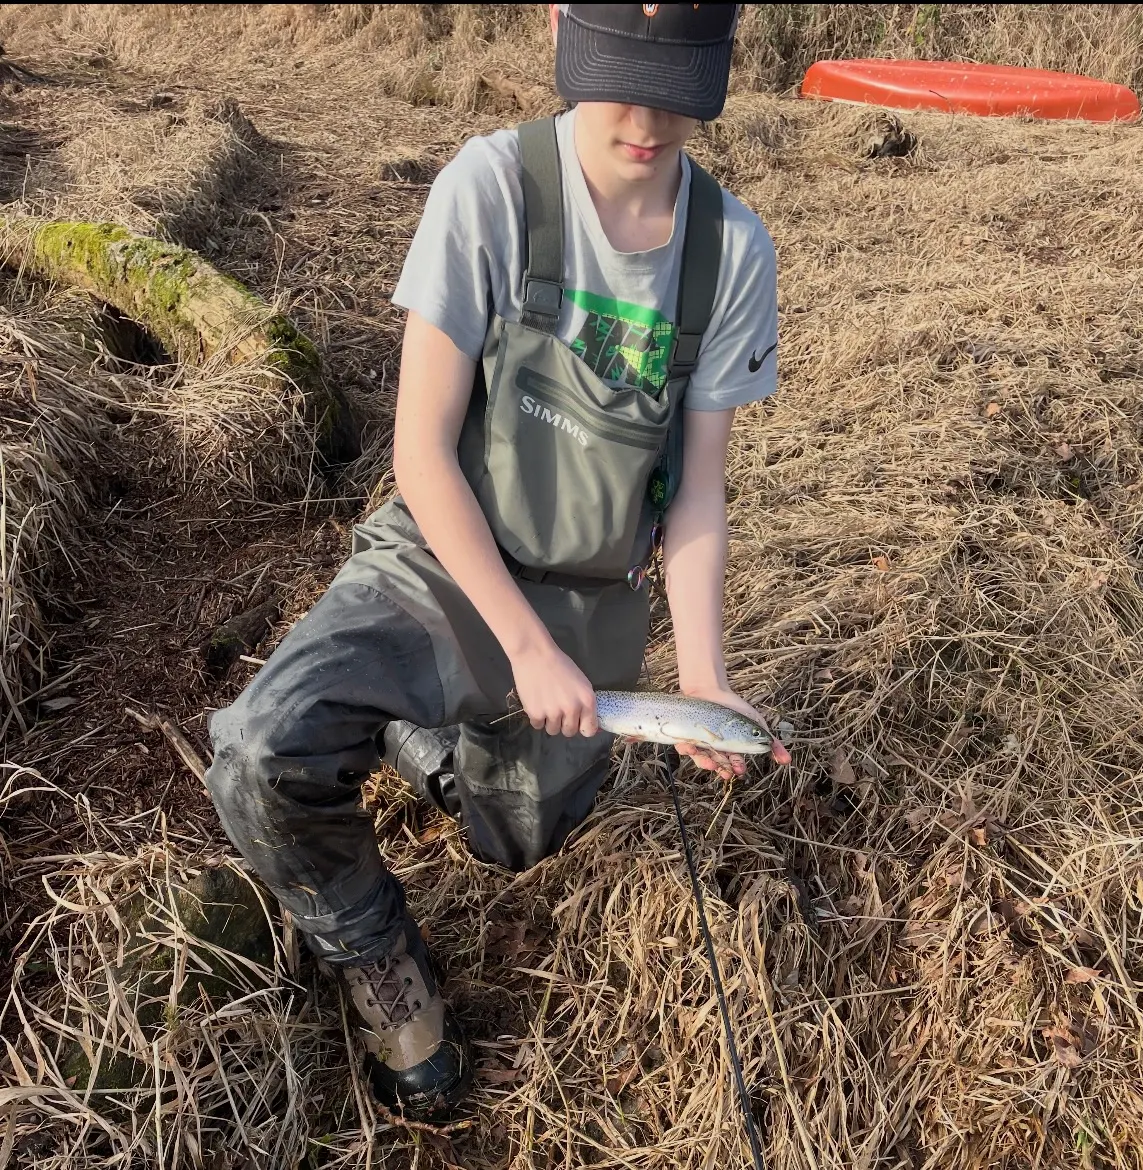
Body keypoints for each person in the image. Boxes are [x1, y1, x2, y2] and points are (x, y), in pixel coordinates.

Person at [203, 2, 788, 1124]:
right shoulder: (490, 188)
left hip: (586, 608)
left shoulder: (732, 252)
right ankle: (387, 970)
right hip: (442, 559)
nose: (648, 120)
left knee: (512, 842)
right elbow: (421, 452)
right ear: (570, 37)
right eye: (620, 77)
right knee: (260, 753)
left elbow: (701, 490)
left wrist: (703, 681)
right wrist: (514, 646)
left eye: (679, 88)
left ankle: (423, 744)